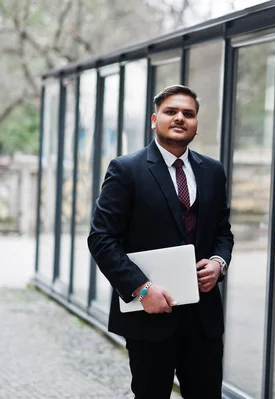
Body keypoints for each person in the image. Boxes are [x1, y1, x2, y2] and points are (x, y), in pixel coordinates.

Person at [88, 85, 234, 398]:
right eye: (171, 112)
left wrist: (219, 263)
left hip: (203, 320)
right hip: (150, 316)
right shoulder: (126, 170)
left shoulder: (213, 171)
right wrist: (141, 289)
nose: (180, 118)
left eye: (188, 114)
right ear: (155, 120)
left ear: (196, 123)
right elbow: (101, 239)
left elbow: (223, 232)